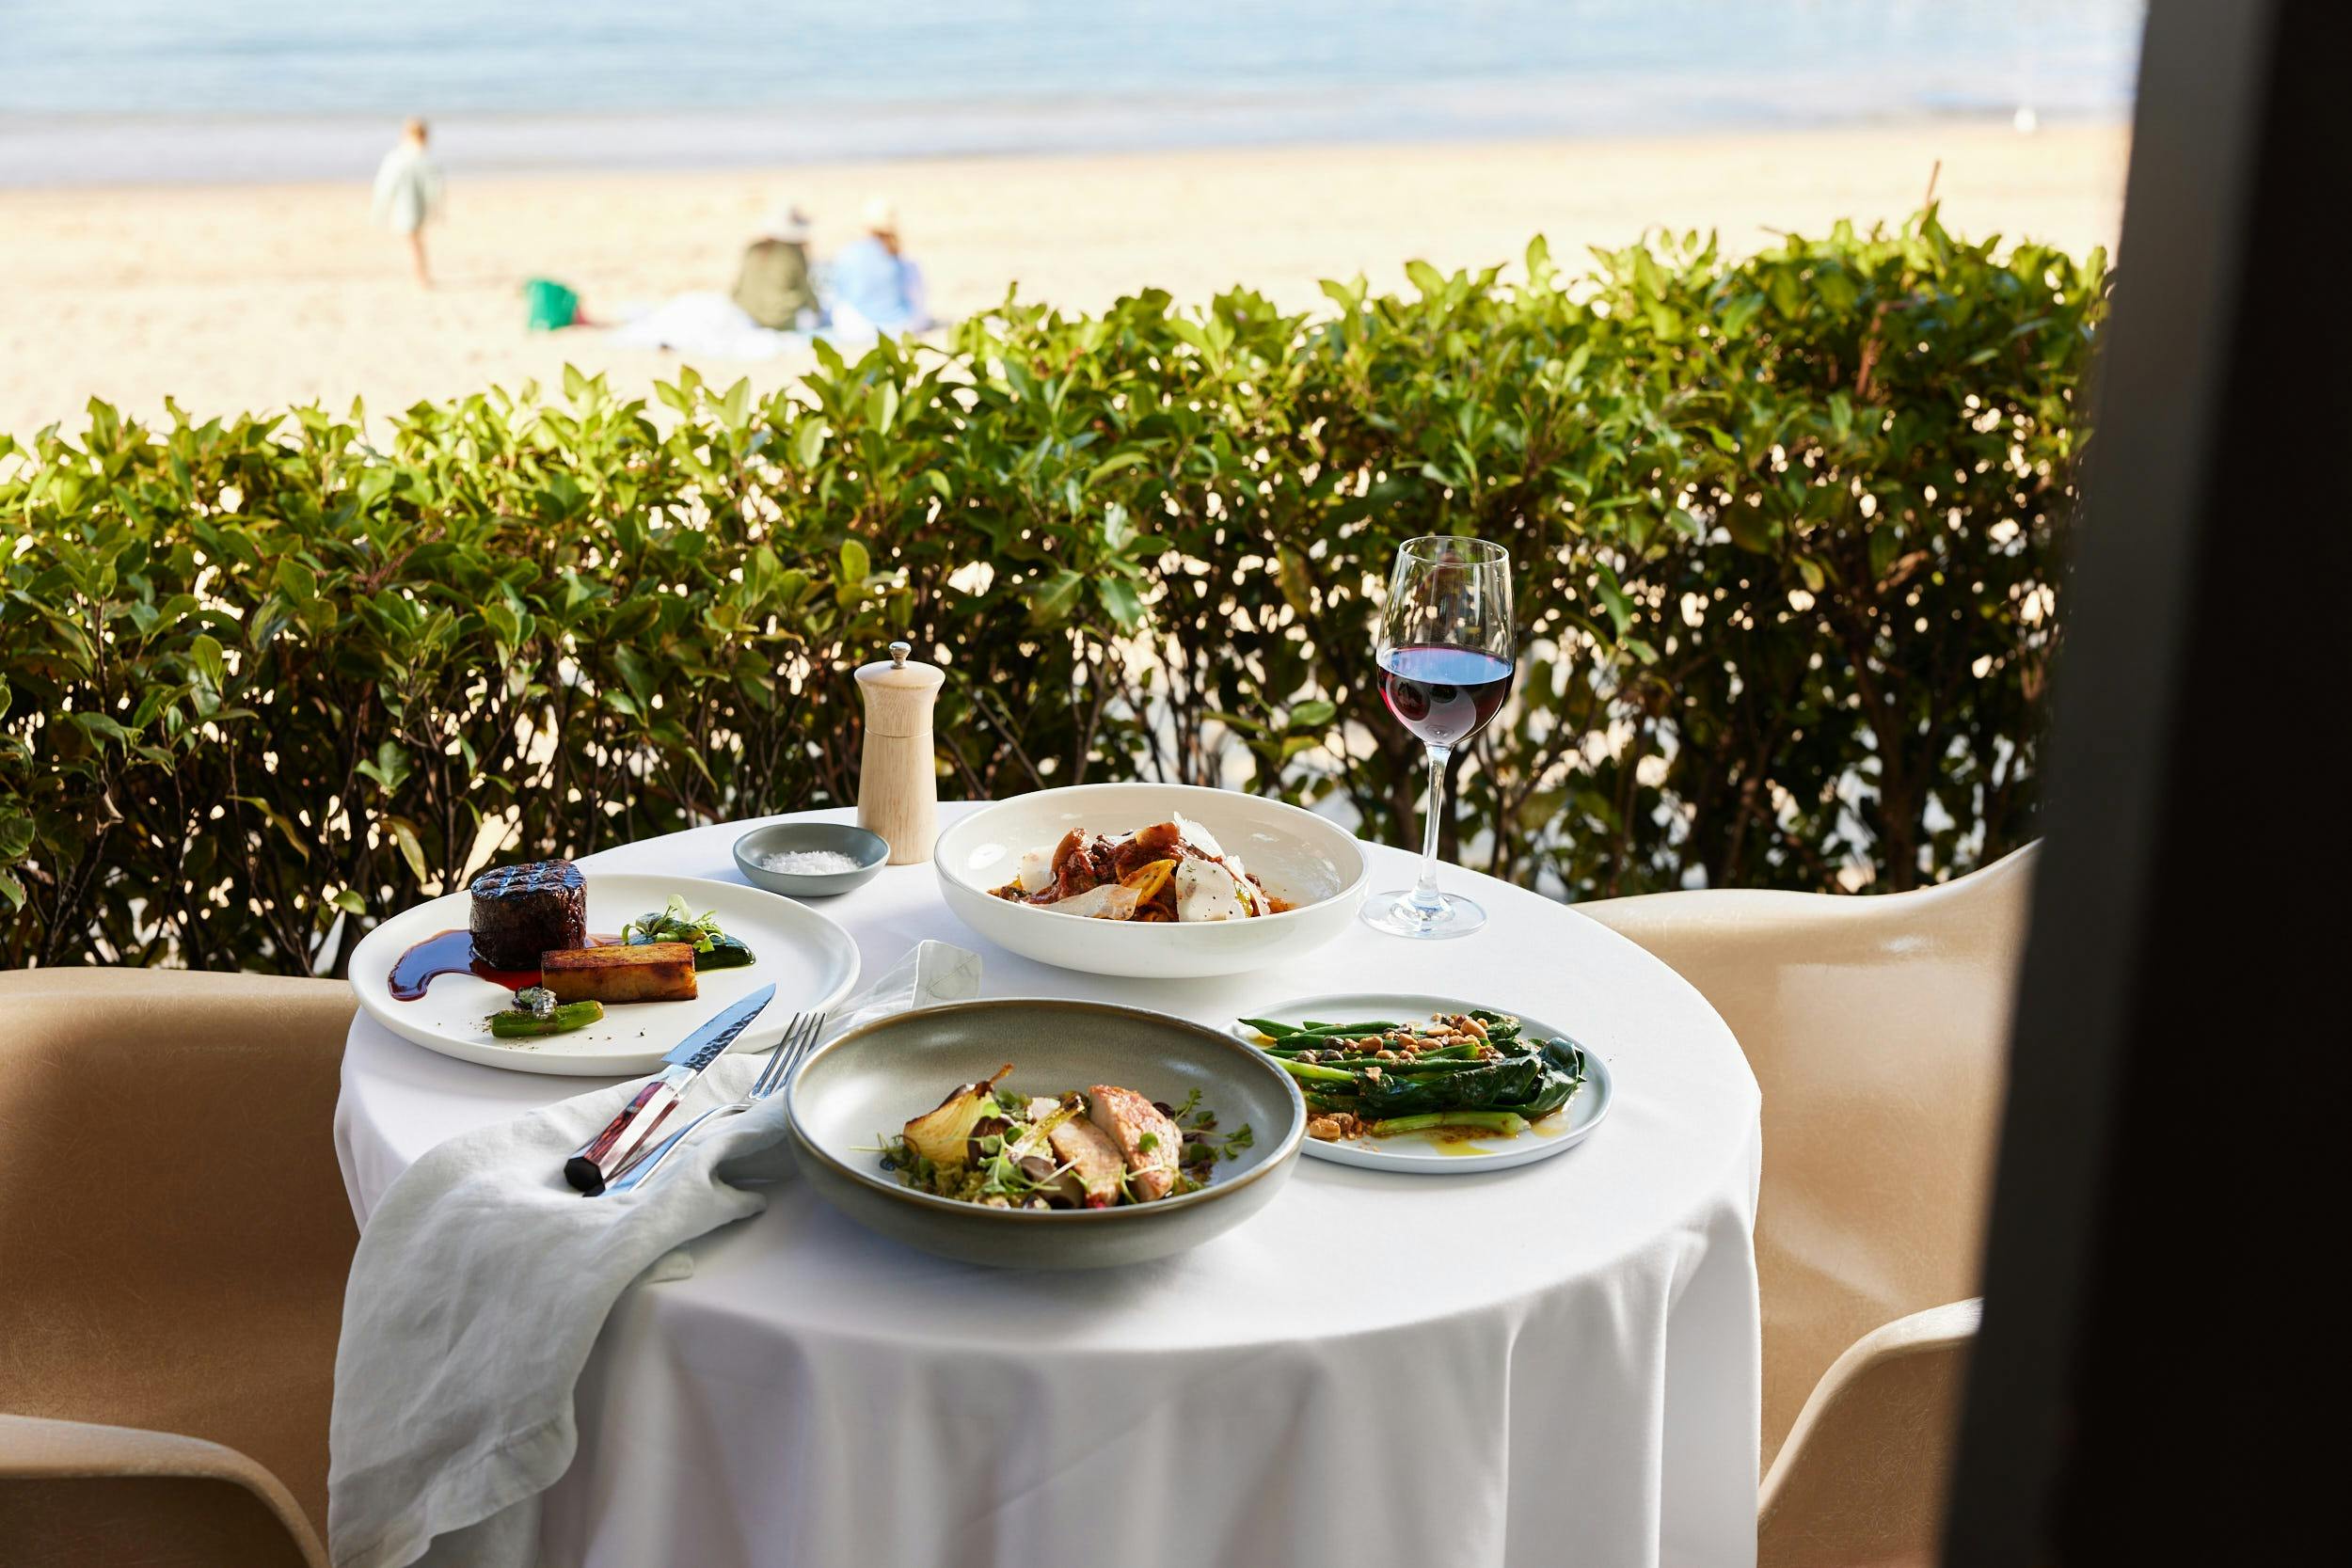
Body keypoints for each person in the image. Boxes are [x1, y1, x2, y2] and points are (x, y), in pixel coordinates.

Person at [827, 197, 931, 335]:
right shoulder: (901, 258)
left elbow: (839, 291)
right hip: (901, 326)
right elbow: (916, 293)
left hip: (857, 329)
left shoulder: (849, 253)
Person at [371, 118, 444, 288]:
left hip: (404, 206)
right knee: (416, 240)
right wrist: (437, 209)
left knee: (414, 241)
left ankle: (420, 274)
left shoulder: (397, 158)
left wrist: (380, 209)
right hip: (419, 206)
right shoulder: (425, 159)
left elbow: (384, 185)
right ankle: (421, 274)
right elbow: (436, 188)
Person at [731, 202, 819, 330]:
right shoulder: (794, 254)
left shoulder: (753, 249)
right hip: (780, 319)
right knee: (809, 318)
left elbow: (737, 287)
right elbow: (806, 291)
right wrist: (816, 310)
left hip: (748, 313)